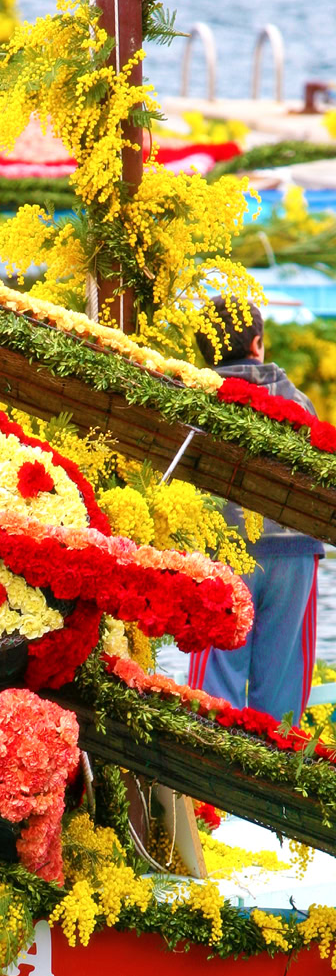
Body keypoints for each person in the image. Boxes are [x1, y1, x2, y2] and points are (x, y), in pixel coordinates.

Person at [186, 297, 325, 725]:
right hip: (294, 552)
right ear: (258, 343)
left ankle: (210, 784)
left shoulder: (196, 400)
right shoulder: (299, 404)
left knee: (214, 691)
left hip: (221, 553)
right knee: (282, 690)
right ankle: (276, 783)